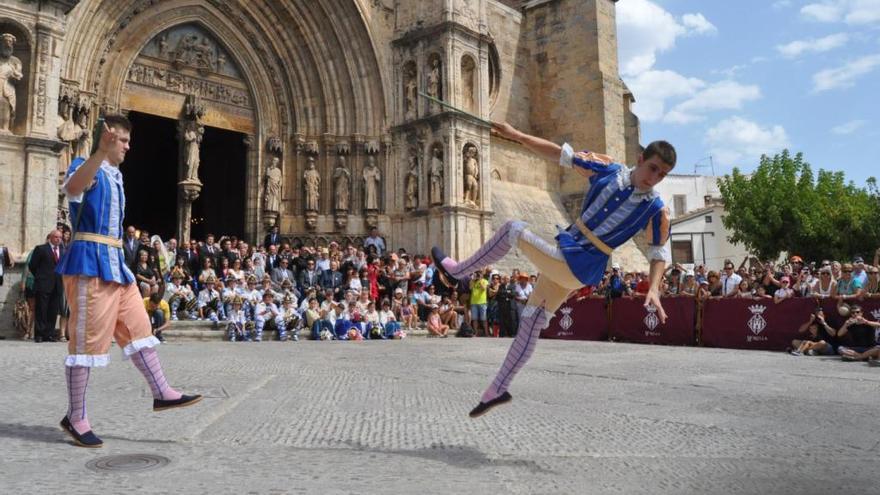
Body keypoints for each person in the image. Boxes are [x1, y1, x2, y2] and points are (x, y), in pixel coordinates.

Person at [432, 121, 674, 418]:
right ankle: (497, 388)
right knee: (531, 322)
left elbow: (658, 253)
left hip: (581, 262)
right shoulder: (609, 170)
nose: (656, 178)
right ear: (640, 160)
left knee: (512, 229)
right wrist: (517, 135)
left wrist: (652, 288)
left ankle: (458, 272)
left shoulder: (656, 208)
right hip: (569, 253)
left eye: (662, 174)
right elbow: (560, 154)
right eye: (653, 168)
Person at [56, 115, 200, 448]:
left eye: (127, 140)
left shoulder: (116, 175)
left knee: (139, 329)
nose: (128, 145)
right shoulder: (86, 164)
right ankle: (76, 417)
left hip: (116, 265)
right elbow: (73, 188)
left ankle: (162, 392)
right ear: (106, 139)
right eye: (122, 139)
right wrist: (98, 153)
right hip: (89, 263)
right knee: (87, 343)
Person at [28, 229, 65, 343]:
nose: (58, 239)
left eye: (60, 237)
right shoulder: (41, 249)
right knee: (41, 309)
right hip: (43, 284)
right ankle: (39, 334)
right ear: (51, 237)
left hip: (57, 284)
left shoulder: (63, 251)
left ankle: (49, 334)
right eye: (56, 237)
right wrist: (41, 277)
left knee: (53, 310)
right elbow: (32, 265)